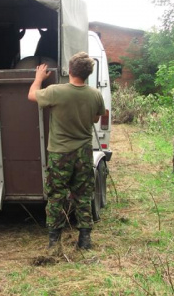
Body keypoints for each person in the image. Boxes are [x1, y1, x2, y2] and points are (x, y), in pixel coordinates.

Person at [28, 52, 104, 250]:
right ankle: (85, 240)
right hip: (84, 152)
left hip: (59, 153)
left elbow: (31, 95)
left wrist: (38, 79)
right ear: (88, 73)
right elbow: (96, 118)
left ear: (69, 70)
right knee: (83, 195)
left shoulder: (55, 91)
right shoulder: (95, 94)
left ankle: (54, 242)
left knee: (56, 196)